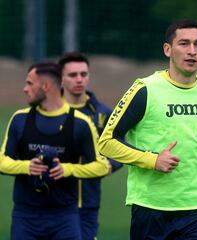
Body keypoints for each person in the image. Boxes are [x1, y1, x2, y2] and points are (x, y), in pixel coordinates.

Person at [98, 19, 197, 240]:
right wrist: (152, 160)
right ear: (167, 49)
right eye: (184, 44)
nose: (192, 51)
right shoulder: (145, 89)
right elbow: (107, 142)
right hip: (152, 209)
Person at [0, 61, 109, 240]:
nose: (24, 89)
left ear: (46, 86)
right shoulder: (19, 119)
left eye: (29, 83)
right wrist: (27, 167)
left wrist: (67, 169)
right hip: (25, 217)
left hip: (65, 218)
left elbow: (101, 166)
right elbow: (2, 161)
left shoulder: (80, 123)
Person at [58, 52, 123, 240]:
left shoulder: (103, 113)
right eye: (72, 75)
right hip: (52, 203)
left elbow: (121, 146)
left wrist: (110, 165)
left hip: (88, 203)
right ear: (60, 78)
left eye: (83, 74)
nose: (79, 79)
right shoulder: (47, 111)